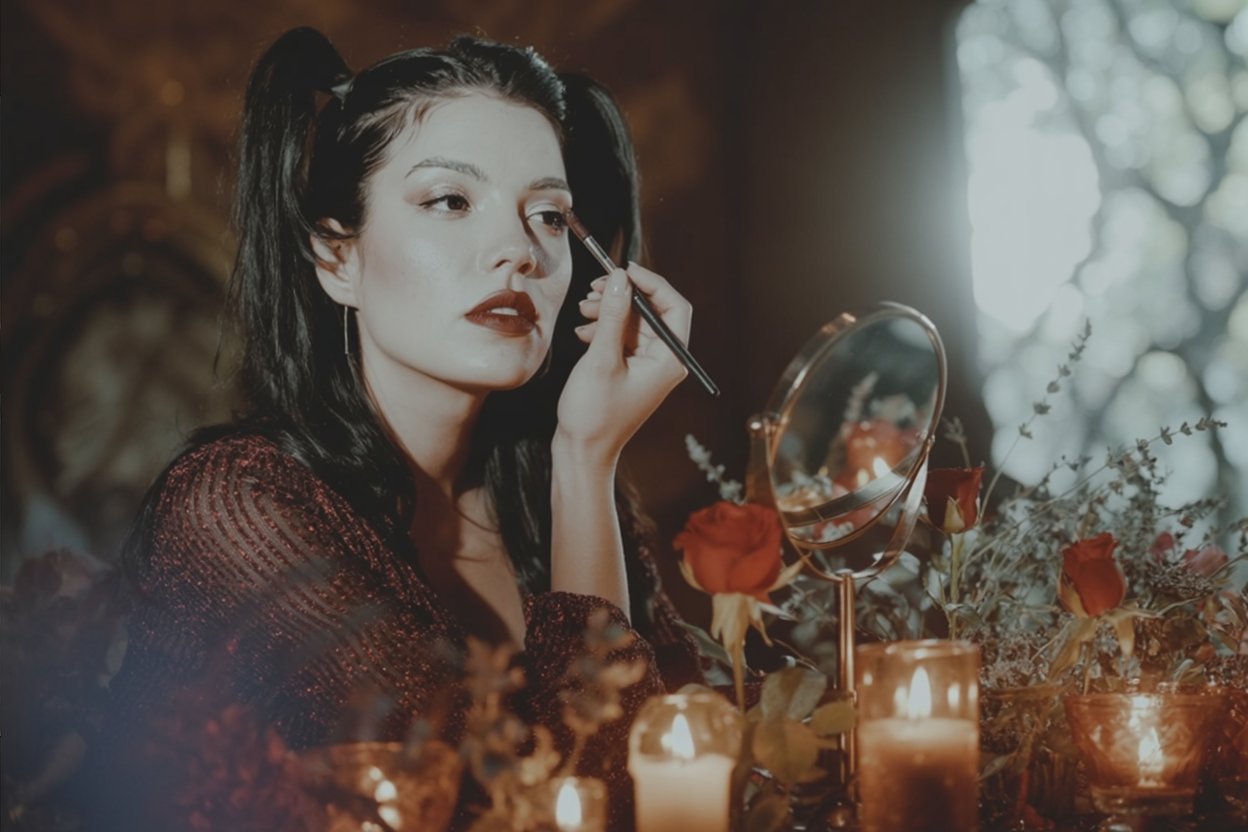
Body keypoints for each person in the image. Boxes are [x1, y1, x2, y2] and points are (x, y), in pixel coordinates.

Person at [99, 27, 703, 830]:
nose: (517, 252)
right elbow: (543, 807)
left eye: (551, 217)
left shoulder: (550, 495)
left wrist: (582, 469)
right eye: (450, 201)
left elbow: (699, 752)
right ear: (336, 258)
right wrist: (587, 457)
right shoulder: (235, 508)